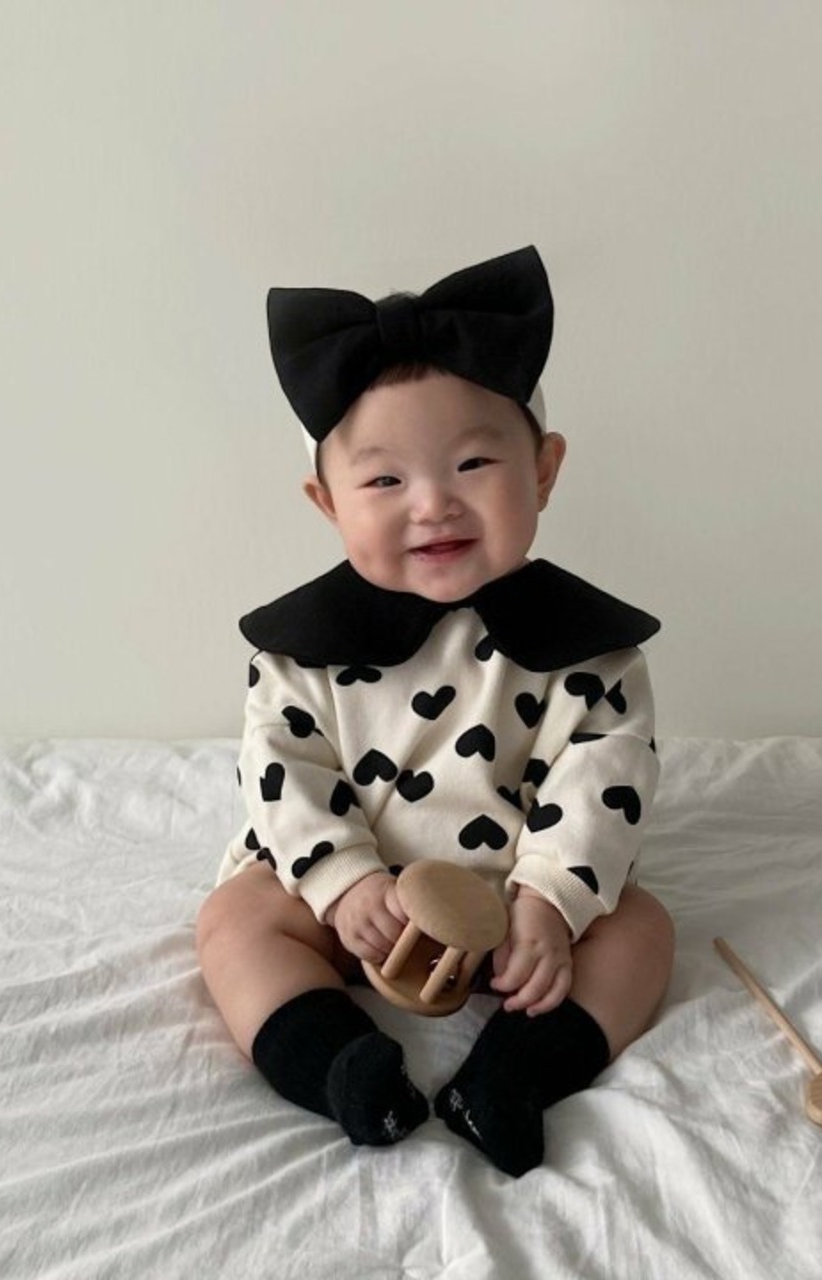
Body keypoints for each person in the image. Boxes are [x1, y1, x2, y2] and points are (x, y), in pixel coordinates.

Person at [196, 246, 674, 1177]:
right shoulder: (300, 651)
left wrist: (551, 904)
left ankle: (511, 1075)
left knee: (642, 932)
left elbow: (603, 781)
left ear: (544, 470)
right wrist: (343, 886)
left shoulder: (591, 651)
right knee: (233, 922)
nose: (433, 505)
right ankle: (339, 1064)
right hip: (351, 906)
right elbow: (283, 776)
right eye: (384, 481)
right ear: (326, 502)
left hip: (515, 903)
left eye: (474, 462)